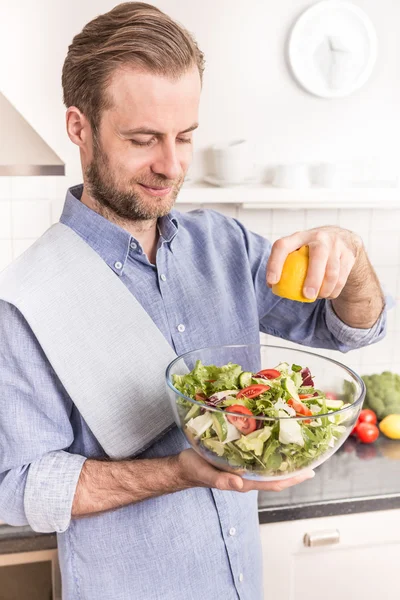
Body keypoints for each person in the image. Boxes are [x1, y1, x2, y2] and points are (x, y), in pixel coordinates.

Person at [0, 3, 385, 599]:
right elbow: (20, 488)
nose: (172, 165)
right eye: (143, 139)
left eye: (185, 136)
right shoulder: (26, 301)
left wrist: (353, 258)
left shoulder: (224, 244)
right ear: (79, 128)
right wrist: (176, 472)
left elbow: (346, 331)